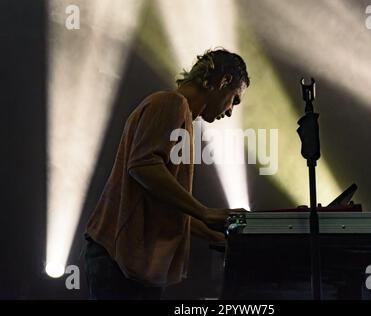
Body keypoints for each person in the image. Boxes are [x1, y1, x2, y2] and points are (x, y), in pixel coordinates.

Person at [83, 48, 250, 299]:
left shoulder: (181, 115)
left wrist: (216, 235)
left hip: (125, 262)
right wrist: (205, 212)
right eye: (234, 99)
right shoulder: (171, 103)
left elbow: (166, 203)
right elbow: (143, 166)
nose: (229, 111)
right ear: (223, 80)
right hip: (117, 259)